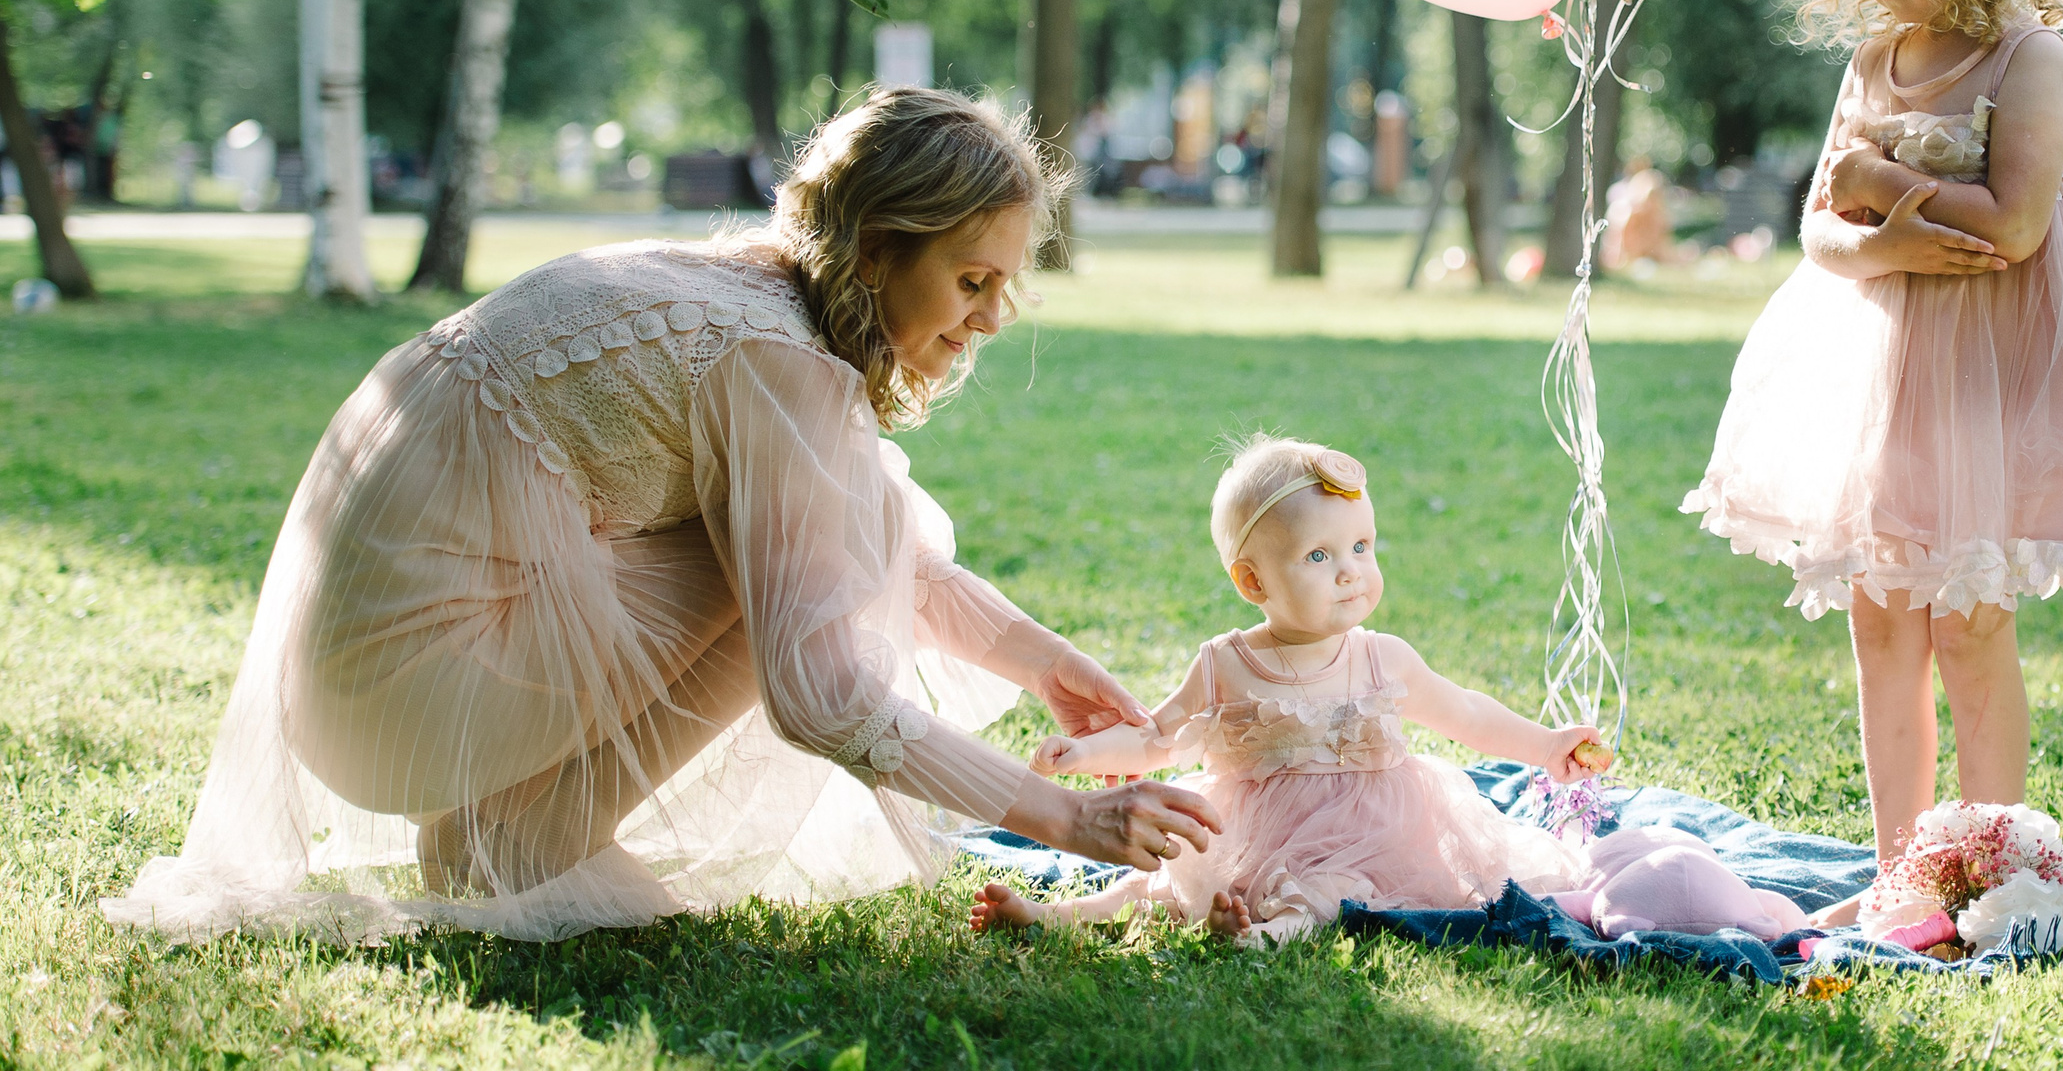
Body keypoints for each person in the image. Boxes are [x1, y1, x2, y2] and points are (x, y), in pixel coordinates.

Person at [105, 89, 1218, 942]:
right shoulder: (779, 361)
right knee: (798, 565)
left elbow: (861, 533)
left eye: (1002, 288)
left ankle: (502, 836)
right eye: (972, 282)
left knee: (828, 518)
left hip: (369, 687)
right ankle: (524, 838)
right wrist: (1063, 819)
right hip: (407, 684)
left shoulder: (739, 286)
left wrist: (1043, 664)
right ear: (878, 252)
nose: (988, 320)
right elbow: (820, 694)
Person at [1681, 0, 2063, 922]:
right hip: (1883, 381)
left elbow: (2011, 226)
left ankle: (1988, 859)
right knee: (1878, 625)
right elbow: (1820, 228)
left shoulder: (2028, 60)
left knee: (1970, 627)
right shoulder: (1872, 65)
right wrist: (1873, 237)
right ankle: (1893, 871)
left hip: (1985, 389)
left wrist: (1886, 188)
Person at [971, 437, 1604, 945]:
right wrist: (1084, 754)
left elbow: (1464, 712)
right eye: (1320, 556)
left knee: (1330, 891)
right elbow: (1156, 741)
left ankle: (1263, 935)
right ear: (1251, 581)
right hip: (1255, 830)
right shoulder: (1225, 663)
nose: (1352, 569)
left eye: (1361, 545)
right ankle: (1058, 915)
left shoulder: (1383, 659)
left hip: (1368, 834)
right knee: (1165, 881)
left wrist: (1547, 746)